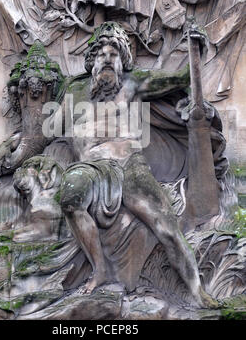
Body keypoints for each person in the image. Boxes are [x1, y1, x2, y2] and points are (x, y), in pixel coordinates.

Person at [44, 22, 218, 307]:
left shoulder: (133, 83)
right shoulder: (74, 90)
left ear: (124, 62)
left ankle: (197, 290)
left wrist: (197, 48)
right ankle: (99, 268)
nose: (109, 59)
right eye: (102, 54)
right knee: (71, 197)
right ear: (91, 62)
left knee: (166, 227)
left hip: (129, 164)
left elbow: (183, 78)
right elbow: (44, 132)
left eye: (115, 54)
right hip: (89, 166)